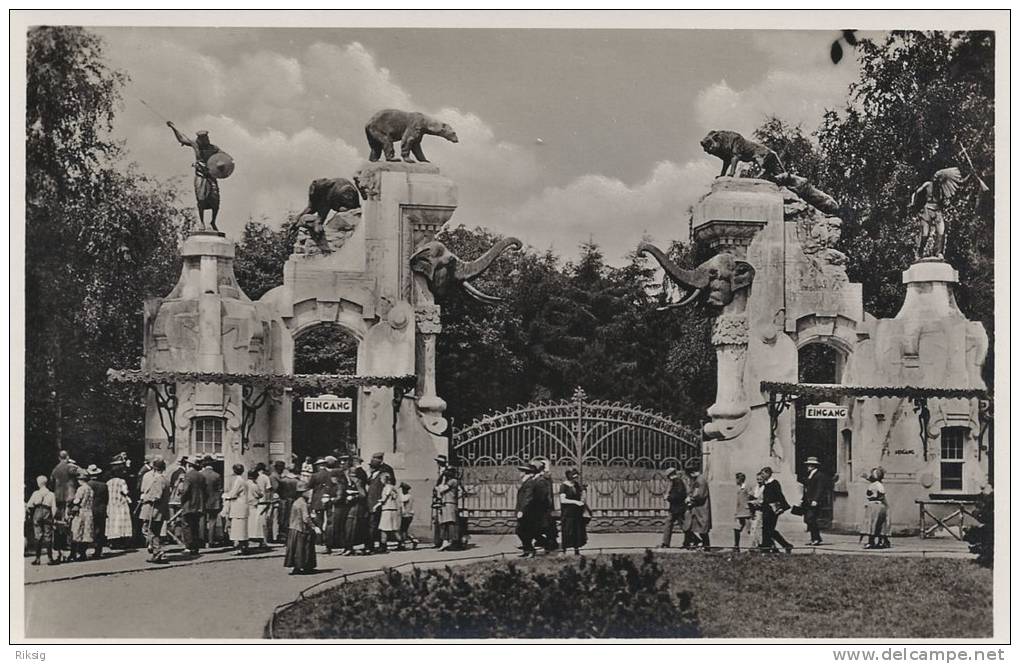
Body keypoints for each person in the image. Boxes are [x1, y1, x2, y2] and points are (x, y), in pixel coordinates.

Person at [167, 122, 225, 231]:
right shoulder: (195, 145)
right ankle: (202, 222)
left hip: (211, 176)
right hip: (200, 175)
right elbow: (181, 139)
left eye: (206, 138)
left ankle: (213, 221)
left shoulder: (214, 148)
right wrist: (173, 127)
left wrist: (220, 165)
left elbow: (225, 158)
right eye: (202, 138)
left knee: (215, 199)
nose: (204, 140)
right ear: (199, 139)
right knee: (201, 199)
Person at [284, 480, 320, 575]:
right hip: (301, 528)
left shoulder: (297, 502)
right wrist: (314, 527)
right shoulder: (303, 503)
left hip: (294, 528)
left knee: (295, 549)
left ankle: (297, 567)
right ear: (303, 492)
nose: (310, 493)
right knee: (304, 548)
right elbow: (305, 518)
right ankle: (306, 567)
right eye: (308, 491)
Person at [139, 458, 171, 563]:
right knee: (155, 531)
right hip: (161, 510)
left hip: (152, 509)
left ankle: (158, 551)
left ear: (154, 468)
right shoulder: (166, 479)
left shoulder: (157, 479)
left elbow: (157, 496)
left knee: (147, 529)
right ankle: (156, 554)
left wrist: (145, 498)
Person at [366, 452, 396, 553]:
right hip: (373, 502)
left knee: (376, 525)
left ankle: (376, 545)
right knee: (375, 524)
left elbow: (391, 483)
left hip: (379, 501)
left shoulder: (385, 470)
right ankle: (375, 545)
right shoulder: (372, 475)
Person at [758, 467, 793, 554]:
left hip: (773, 510)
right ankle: (772, 547)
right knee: (767, 529)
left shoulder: (774, 483)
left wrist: (783, 507)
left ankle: (767, 548)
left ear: (768, 474)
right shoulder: (765, 484)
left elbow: (779, 495)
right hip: (766, 509)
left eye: (763, 474)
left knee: (769, 529)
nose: (762, 475)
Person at [514, 463, 545, 558]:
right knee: (523, 531)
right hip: (526, 511)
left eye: (521, 471)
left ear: (525, 472)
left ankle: (530, 550)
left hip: (528, 512)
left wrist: (522, 511)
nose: (519, 473)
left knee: (521, 531)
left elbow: (528, 497)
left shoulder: (530, 482)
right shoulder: (527, 481)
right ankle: (527, 550)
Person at [26, 475, 57, 565]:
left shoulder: (36, 493)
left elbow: (29, 505)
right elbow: (54, 507)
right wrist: (53, 517)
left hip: (37, 511)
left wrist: (31, 513)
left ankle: (37, 558)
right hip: (47, 512)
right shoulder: (51, 494)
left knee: (38, 535)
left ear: (39, 483)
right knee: (48, 535)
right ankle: (50, 558)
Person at [179, 457, 206, 556]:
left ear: (188, 465)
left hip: (189, 504)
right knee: (195, 526)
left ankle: (188, 547)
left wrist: (180, 495)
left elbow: (185, 490)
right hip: (199, 505)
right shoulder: (201, 476)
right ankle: (195, 547)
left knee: (186, 525)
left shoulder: (188, 475)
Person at [342, 464, 369, 556]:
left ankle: (350, 547)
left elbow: (363, 495)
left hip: (356, 508)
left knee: (351, 528)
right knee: (348, 528)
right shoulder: (350, 482)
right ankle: (348, 547)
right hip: (350, 507)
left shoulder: (357, 482)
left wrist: (353, 496)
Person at [105, 460, 133, 548]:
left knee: (113, 524)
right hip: (120, 504)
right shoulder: (122, 481)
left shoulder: (108, 482)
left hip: (111, 504)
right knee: (121, 523)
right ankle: (122, 542)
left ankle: (112, 542)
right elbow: (125, 492)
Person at [558, 469, 587, 556]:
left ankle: (576, 549)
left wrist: (584, 492)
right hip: (567, 513)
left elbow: (581, 497)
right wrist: (575, 502)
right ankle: (564, 550)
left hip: (576, 513)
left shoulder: (576, 485)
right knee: (567, 531)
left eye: (577, 477)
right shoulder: (563, 486)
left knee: (577, 531)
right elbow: (563, 500)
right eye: (574, 477)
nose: (576, 479)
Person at [801, 456, 829, 546]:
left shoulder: (819, 475)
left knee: (811, 519)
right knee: (809, 520)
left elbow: (820, 489)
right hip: (808, 501)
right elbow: (807, 489)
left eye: (809, 465)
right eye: (808, 465)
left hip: (814, 501)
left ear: (813, 466)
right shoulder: (810, 475)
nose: (808, 467)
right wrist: (803, 499)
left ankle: (816, 539)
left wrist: (815, 500)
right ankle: (814, 538)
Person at [685, 458, 712, 549]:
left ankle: (706, 547)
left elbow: (699, 494)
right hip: (699, 508)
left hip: (701, 509)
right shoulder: (700, 480)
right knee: (700, 528)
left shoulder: (700, 481)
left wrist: (690, 499)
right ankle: (704, 546)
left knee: (702, 529)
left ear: (692, 472)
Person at [68, 469, 95, 562]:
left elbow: (77, 501)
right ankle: (83, 553)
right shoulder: (90, 489)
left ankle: (73, 553)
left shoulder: (81, 489)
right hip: (89, 512)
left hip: (81, 512)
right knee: (86, 534)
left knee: (76, 532)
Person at [223, 464, 250, 555]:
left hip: (238, 507)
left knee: (238, 529)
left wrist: (225, 495)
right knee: (242, 528)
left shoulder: (238, 481)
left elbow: (233, 494)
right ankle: (244, 547)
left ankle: (239, 549)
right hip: (243, 506)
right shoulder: (243, 481)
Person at [861, 467, 891, 549]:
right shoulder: (874, 484)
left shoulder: (878, 485)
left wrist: (874, 498)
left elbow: (881, 496)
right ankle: (876, 541)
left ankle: (876, 542)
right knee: (872, 524)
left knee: (875, 524)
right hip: (873, 505)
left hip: (876, 506)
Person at [434, 468, 461, 551]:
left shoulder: (453, 481)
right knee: (444, 523)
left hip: (450, 503)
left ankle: (451, 541)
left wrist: (442, 480)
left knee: (450, 522)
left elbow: (440, 489)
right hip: (445, 503)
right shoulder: (450, 481)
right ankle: (445, 541)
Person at [660, 467, 688, 548]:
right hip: (676, 508)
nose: (668, 478)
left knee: (684, 526)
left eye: (668, 476)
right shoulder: (676, 482)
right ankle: (665, 543)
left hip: (678, 508)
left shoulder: (678, 482)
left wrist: (668, 497)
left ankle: (692, 541)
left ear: (671, 475)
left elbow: (679, 496)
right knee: (672, 524)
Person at [86, 465, 109, 559]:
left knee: (91, 529)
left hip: (91, 508)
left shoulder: (88, 485)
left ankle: (89, 547)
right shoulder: (104, 485)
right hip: (101, 508)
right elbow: (107, 499)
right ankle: (98, 550)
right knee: (101, 530)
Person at [374, 472, 401, 552]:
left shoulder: (387, 487)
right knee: (394, 528)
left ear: (385, 479)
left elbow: (384, 498)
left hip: (387, 510)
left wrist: (376, 506)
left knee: (383, 528)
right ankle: (401, 543)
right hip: (393, 509)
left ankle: (383, 545)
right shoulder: (393, 488)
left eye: (381, 479)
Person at [201, 457, 223, 547]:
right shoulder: (217, 475)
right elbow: (219, 489)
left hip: (203, 501)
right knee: (212, 521)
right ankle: (211, 541)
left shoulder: (201, 475)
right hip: (214, 501)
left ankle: (202, 541)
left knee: (201, 521)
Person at [274, 461, 297, 543]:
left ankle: (283, 536)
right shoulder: (297, 480)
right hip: (294, 501)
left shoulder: (283, 480)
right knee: (293, 518)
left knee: (283, 519)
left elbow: (278, 491)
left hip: (284, 501)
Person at [245, 469, 266, 551]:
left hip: (246, 506)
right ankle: (260, 541)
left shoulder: (244, 483)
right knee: (256, 525)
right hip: (253, 506)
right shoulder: (254, 485)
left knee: (247, 526)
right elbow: (260, 494)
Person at [732, 472, 754, 551]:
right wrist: (736, 512)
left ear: (739, 479)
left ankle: (754, 546)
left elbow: (752, 496)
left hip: (746, 512)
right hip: (740, 512)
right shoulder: (739, 488)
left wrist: (749, 505)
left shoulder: (747, 487)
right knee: (737, 528)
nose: (735, 481)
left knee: (750, 530)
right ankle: (736, 546)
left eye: (736, 479)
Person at [256, 463, 275, 544]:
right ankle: (264, 541)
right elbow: (268, 489)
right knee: (264, 522)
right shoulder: (265, 477)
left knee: (256, 522)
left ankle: (256, 539)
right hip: (263, 501)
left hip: (255, 501)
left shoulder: (254, 477)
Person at [397, 482, 418, 550]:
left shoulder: (407, 496)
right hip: (408, 514)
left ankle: (404, 544)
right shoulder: (410, 496)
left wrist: (399, 492)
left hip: (407, 515)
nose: (402, 490)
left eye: (403, 489)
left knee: (403, 530)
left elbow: (403, 500)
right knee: (404, 530)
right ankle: (412, 540)